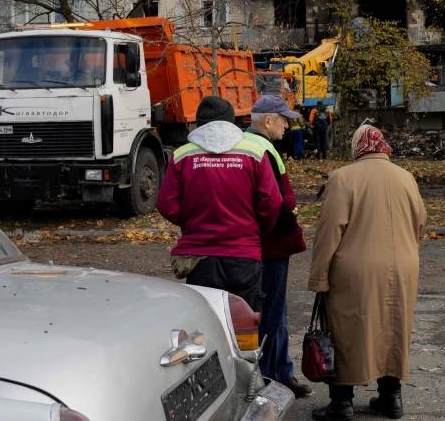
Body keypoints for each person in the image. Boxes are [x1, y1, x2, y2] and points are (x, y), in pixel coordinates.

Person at [307, 124, 427, 421]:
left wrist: (319, 276)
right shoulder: (406, 177)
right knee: (394, 327)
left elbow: (329, 231)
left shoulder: (342, 178)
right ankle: (391, 398)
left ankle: (342, 404)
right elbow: (420, 221)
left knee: (345, 331)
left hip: (355, 270)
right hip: (402, 266)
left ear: (357, 147)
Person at [156, 96, 283, 311]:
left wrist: (192, 222)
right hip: (244, 254)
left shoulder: (182, 156)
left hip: (200, 257)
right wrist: (256, 229)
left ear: (198, 123)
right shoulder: (254, 153)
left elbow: (166, 203)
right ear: (232, 121)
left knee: (207, 322)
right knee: (243, 323)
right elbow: (272, 202)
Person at [238, 95, 311, 399]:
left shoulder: (245, 144)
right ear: (267, 121)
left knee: (271, 311)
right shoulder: (263, 149)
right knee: (270, 312)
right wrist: (289, 228)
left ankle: (279, 371)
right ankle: (272, 376)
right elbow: (275, 203)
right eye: (283, 119)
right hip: (271, 245)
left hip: (256, 243)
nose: (287, 125)